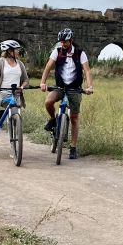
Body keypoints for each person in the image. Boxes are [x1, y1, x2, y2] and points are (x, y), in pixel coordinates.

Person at [39, 28, 94, 159]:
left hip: (75, 89)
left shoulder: (80, 53)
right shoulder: (57, 52)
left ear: (71, 41)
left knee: (74, 118)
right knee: (48, 101)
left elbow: (87, 71)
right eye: (61, 42)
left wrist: (89, 86)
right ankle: (53, 120)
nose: (63, 44)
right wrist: (43, 82)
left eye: (65, 41)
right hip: (59, 87)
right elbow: (48, 67)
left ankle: (73, 147)